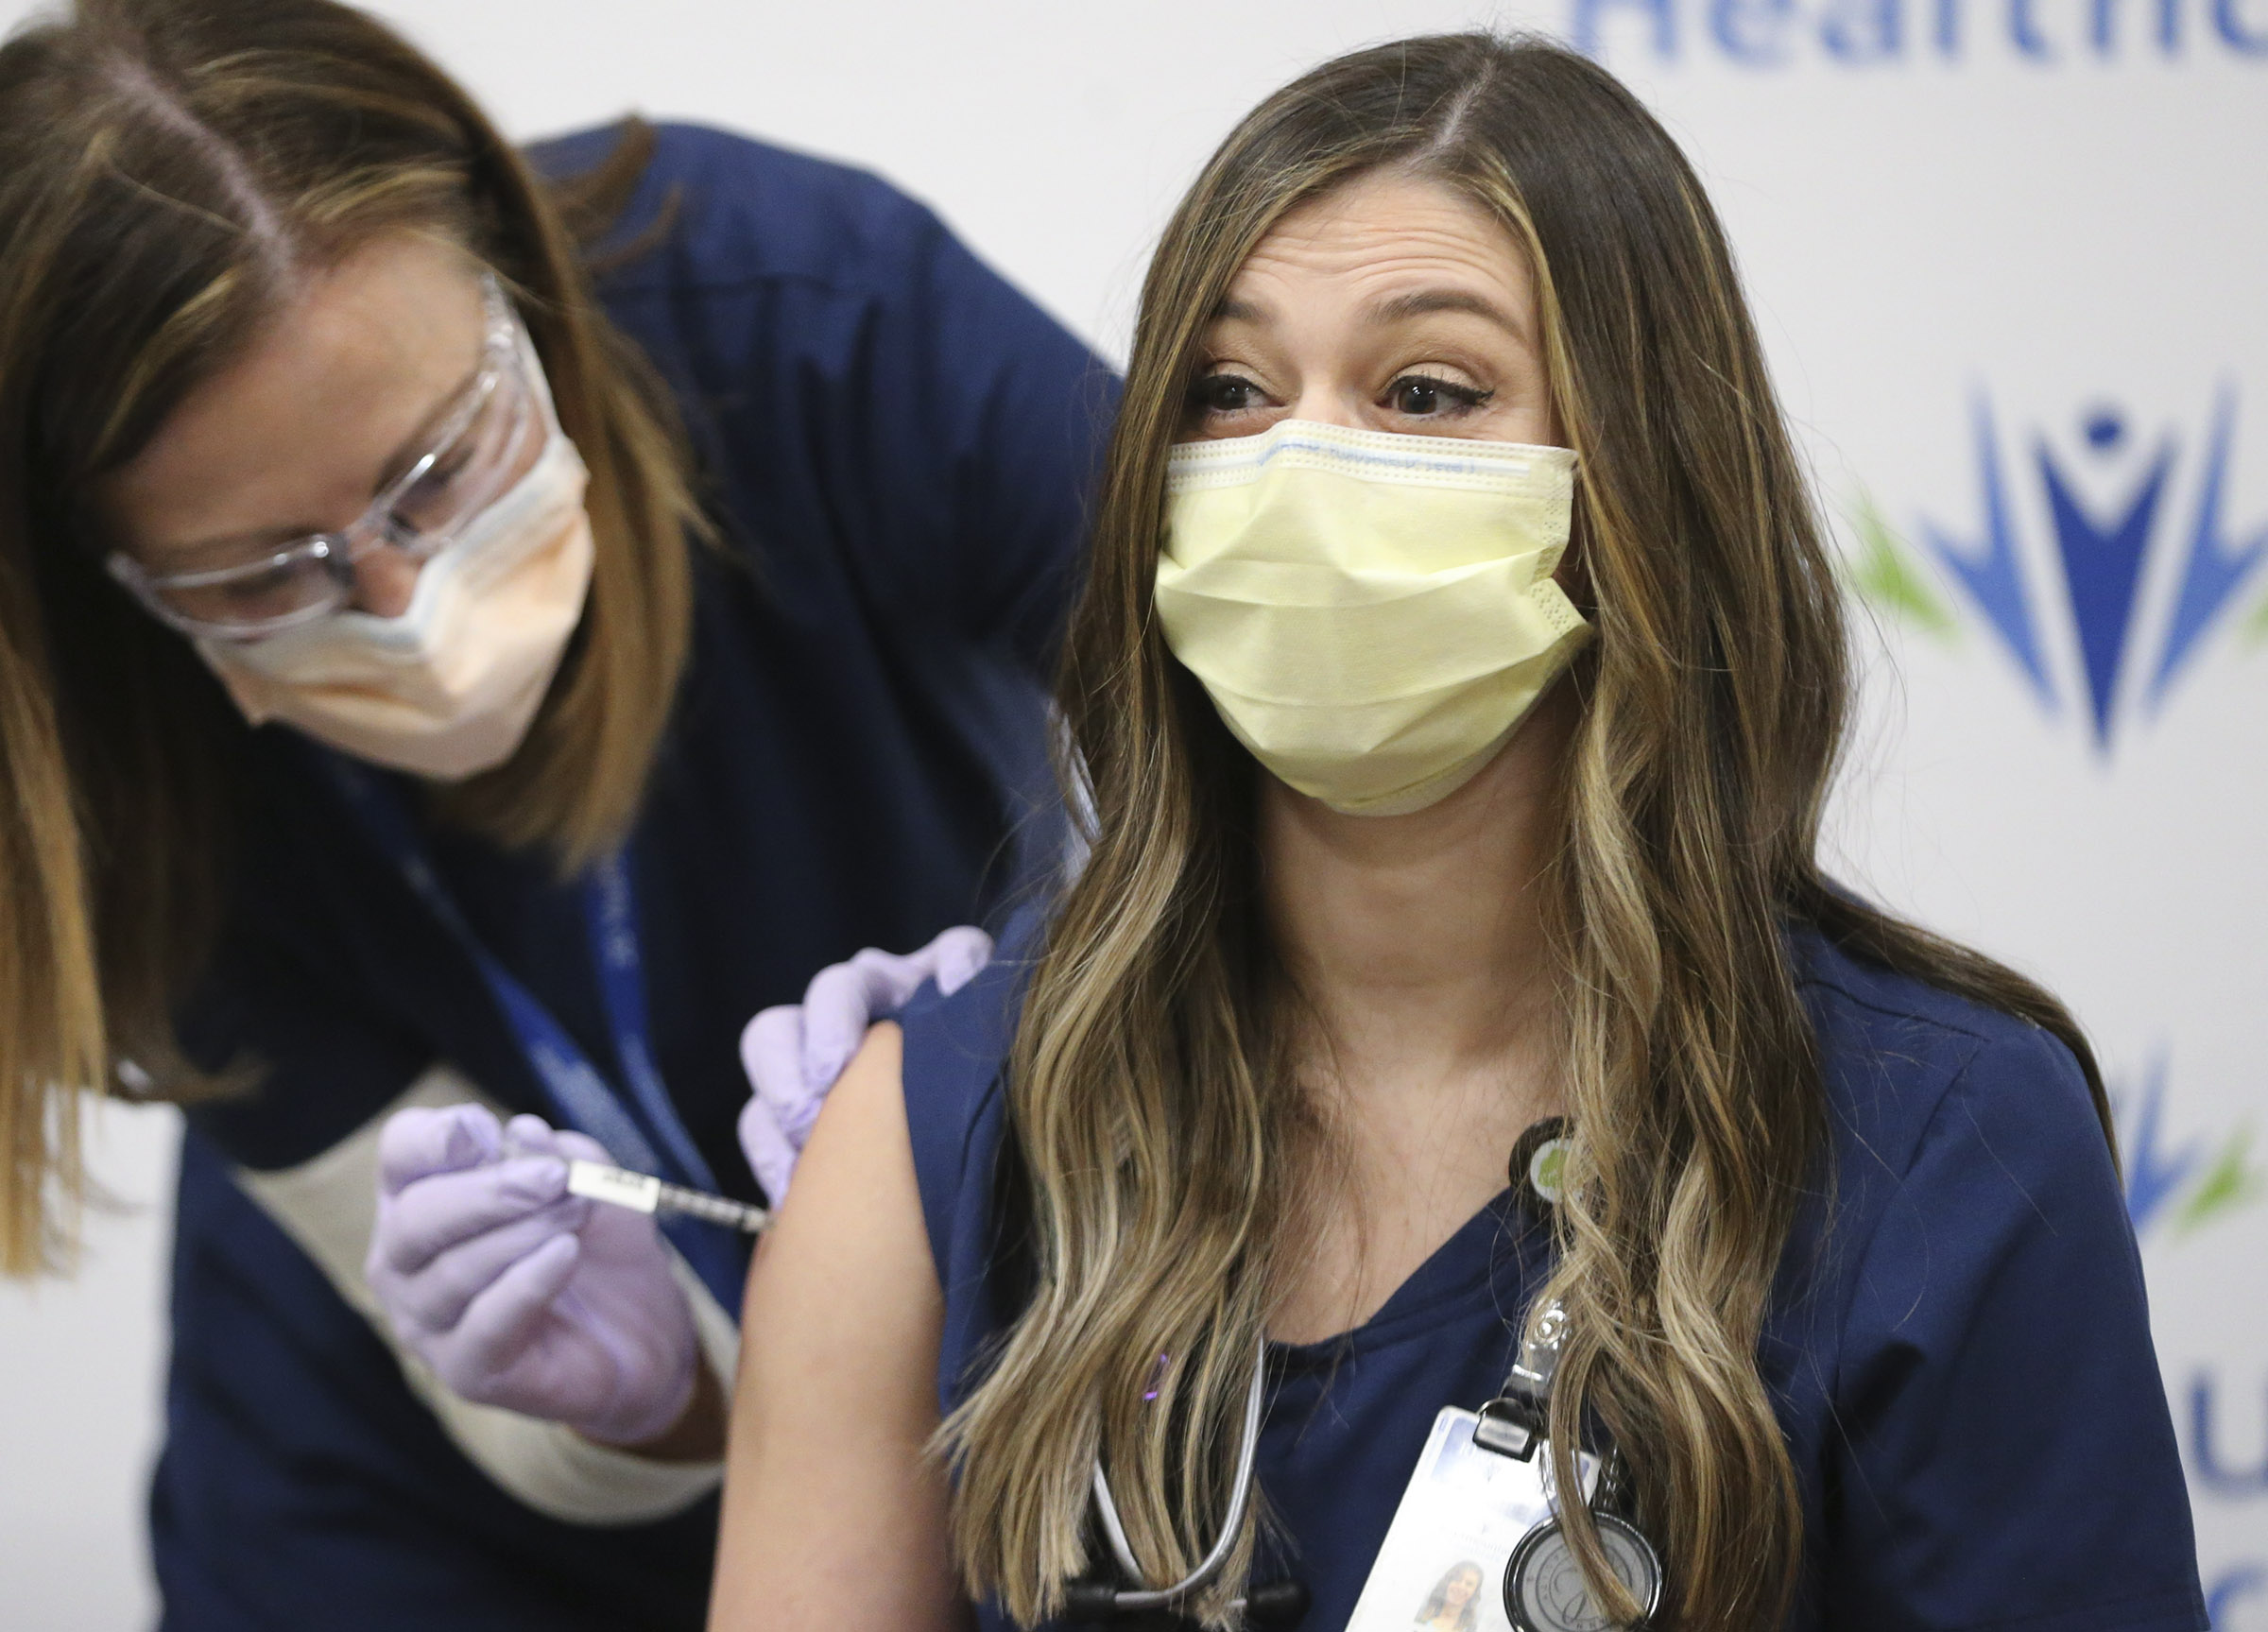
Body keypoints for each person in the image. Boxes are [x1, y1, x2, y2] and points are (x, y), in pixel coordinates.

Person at [711, 33, 2208, 1632]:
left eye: (1427, 391)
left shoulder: (1939, 1144)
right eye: (1230, 392)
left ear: (1639, 475)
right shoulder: (949, 1126)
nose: (1300, 468)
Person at [0, 0, 1110, 1624]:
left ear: (517, 287)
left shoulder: (808, 312)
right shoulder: (93, 773)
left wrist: (1073, 1014)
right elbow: (550, 1418)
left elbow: (1265, 725)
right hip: (413, 1522)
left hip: (976, 1396)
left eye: (440, 466)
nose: (400, 601)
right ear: (111, 583)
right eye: (264, 573)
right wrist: (640, 1398)